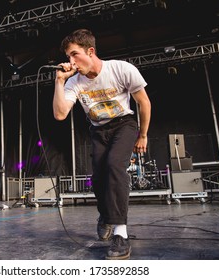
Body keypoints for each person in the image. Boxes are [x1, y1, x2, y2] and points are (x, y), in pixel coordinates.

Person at [53, 29, 151, 260]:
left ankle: (120, 233)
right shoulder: (74, 82)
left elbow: (143, 103)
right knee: (98, 178)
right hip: (98, 130)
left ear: (91, 51)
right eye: (68, 57)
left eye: (75, 54)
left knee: (115, 166)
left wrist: (143, 135)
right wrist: (59, 81)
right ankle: (105, 215)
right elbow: (60, 114)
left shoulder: (121, 69)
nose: (71, 61)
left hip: (124, 124)